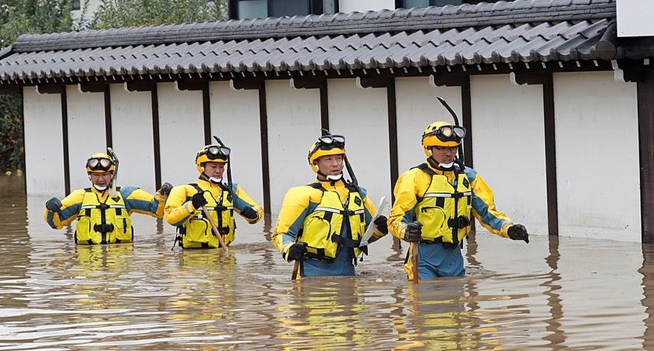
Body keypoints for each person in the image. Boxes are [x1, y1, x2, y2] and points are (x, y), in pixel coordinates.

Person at [388, 121, 529, 281]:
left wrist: (509, 229)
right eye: (442, 148)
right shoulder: (413, 178)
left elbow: (487, 213)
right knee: (425, 301)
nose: (449, 153)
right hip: (423, 258)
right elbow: (396, 219)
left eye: (453, 148)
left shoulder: (468, 177)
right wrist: (406, 232)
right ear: (429, 149)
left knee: (456, 303)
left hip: (453, 257)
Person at [272, 133, 389, 279]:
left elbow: (367, 237)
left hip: (349, 274)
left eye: (339, 158)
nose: (336, 164)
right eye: (328, 159)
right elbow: (281, 234)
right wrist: (289, 249)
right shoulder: (302, 195)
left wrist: (381, 229)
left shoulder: (358, 194)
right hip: (311, 274)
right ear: (316, 164)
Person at [44, 151, 172, 244]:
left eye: (104, 174)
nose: (100, 179)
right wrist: (50, 208)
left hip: (120, 259)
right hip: (88, 260)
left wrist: (162, 195)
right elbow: (56, 223)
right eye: (96, 175)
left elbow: (157, 211)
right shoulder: (80, 197)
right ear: (89, 175)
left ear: (112, 174)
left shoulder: (126, 195)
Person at [164, 141, 263, 248]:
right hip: (194, 258)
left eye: (221, 167)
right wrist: (192, 206)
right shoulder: (184, 190)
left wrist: (253, 215)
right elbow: (171, 218)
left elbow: (258, 210)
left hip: (225, 256)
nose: (218, 171)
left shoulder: (230, 191)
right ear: (201, 167)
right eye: (213, 166)